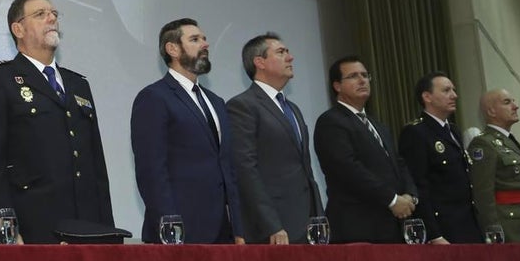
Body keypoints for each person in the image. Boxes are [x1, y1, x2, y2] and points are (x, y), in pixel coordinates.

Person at [0, 0, 115, 243]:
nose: (51, 19)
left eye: (54, 14)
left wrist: (108, 231)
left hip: (88, 227)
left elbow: (96, 166)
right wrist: (7, 229)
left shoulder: (77, 84)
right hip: (35, 226)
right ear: (18, 29)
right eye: (40, 14)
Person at [130, 19, 242, 243]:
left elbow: (226, 167)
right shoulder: (154, 97)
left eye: (204, 38)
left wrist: (238, 227)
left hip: (223, 231)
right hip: (181, 232)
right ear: (172, 49)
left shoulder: (216, 102)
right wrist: (170, 227)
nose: (205, 44)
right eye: (195, 39)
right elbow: (152, 170)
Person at [226, 32, 321, 244]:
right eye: (281, 52)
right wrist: (272, 225)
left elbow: (305, 169)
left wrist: (319, 218)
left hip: (309, 225)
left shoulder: (292, 108)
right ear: (259, 62)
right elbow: (245, 169)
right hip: (275, 229)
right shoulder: (243, 106)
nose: (290, 57)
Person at [313, 56, 418, 243]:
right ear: (337, 86)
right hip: (358, 226)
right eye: (353, 76)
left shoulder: (378, 125)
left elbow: (398, 163)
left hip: (392, 225)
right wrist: (392, 200)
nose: (362, 80)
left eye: (365, 75)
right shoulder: (331, 122)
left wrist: (410, 195)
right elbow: (348, 169)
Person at [397, 72, 481, 244]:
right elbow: (419, 185)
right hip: (443, 228)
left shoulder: (454, 131)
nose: (454, 95)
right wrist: (434, 234)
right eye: (446, 90)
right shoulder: (416, 132)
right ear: (427, 97)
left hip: (467, 224)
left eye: (454, 90)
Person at [467, 89, 520, 242]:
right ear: (491, 111)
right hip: (509, 228)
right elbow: (483, 194)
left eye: (513, 101)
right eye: (507, 102)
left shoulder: (509, 141)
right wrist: (494, 233)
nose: (515, 106)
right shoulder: (484, 143)